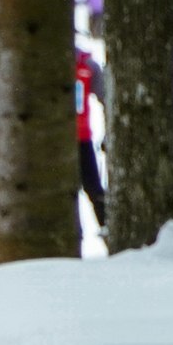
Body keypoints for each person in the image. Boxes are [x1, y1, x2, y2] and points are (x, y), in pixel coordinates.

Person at [74, 44, 107, 239]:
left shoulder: (87, 65)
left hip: (82, 140)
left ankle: (109, 232)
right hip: (51, 144)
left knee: (94, 190)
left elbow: (107, 98)